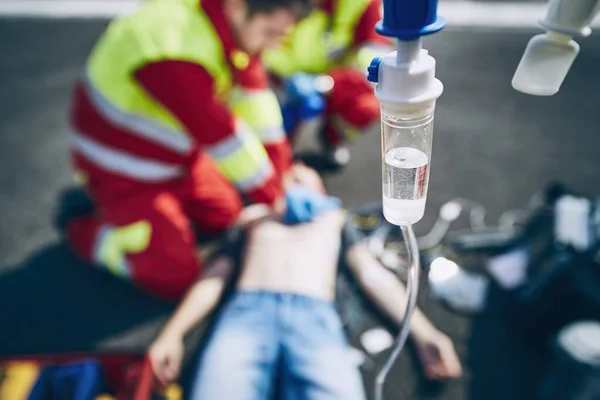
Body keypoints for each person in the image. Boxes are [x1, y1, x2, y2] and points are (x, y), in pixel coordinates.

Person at [62, 0, 318, 301]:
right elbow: (223, 139)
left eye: (281, 36)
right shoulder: (171, 50)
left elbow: (257, 105)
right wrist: (276, 197)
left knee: (225, 215)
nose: (273, 46)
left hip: (175, 157)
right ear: (237, 7)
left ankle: (153, 220)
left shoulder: (234, 30)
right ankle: (86, 227)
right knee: (174, 275)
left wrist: (283, 171)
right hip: (123, 170)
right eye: (270, 32)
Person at [149, 200, 463, 398]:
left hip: (314, 318)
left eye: (307, 171)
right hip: (247, 313)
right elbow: (215, 276)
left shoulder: (335, 218)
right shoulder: (255, 215)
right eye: (291, 168)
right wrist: (172, 333)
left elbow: (373, 275)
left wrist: (424, 333)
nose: (298, 171)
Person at [262, 0, 391, 166]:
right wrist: (282, 79)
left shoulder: (363, 4)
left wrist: (327, 83)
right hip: (283, 82)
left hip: (336, 85)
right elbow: (260, 48)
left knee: (367, 105)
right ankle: (277, 156)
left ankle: (333, 137)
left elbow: (373, 66)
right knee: (270, 128)